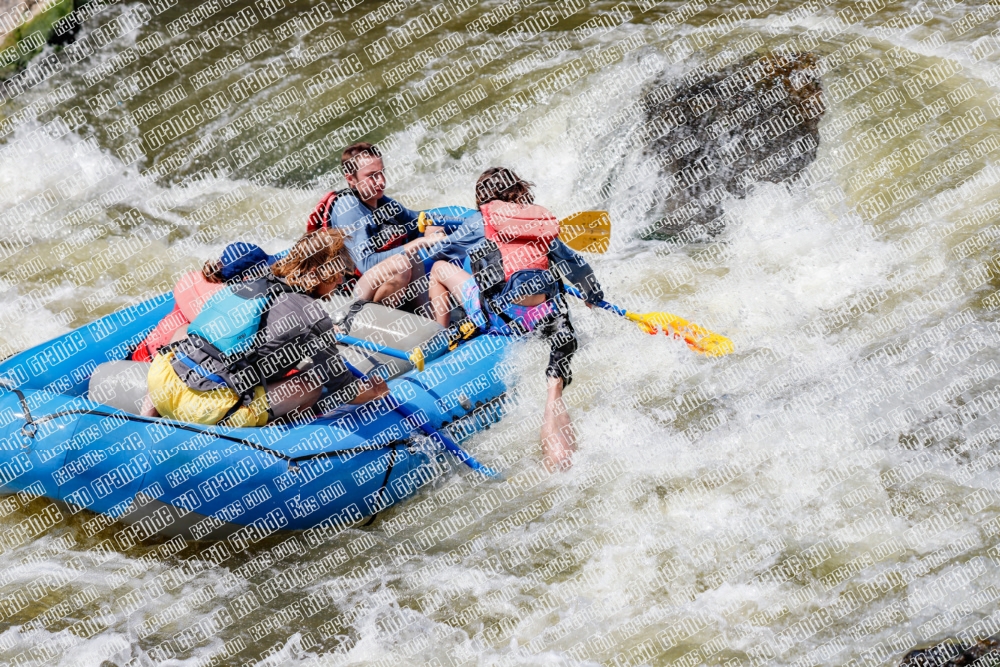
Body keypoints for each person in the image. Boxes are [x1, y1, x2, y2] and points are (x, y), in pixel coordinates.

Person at [425, 168, 605, 472]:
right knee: (554, 390)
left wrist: (435, 236)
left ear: (484, 198)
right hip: (553, 321)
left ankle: (440, 343)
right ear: (520, 192)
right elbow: (576, 265)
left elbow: (441, 252)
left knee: (439, 270)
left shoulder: (479, 221)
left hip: (507, 321)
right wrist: (592, 294)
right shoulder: (538, 222)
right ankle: (560, 462)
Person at [146, 229, 389, 427]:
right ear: (315, 274)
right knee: (311, 386)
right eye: (336, 275)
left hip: (161, 383)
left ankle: (145, 421)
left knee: (186, 344)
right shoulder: (313, 316)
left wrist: (319, 337)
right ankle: (272, 442)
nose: (340, 281)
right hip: (205, 410)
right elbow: (344, 390)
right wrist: (374, 392)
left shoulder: (252, 284)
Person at [308, 142, 468, 308]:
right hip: (347, 295)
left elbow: (421, 219)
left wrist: (473, 222)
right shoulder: (347, 208)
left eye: (382, 173)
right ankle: (372, 324)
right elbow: (365, 265)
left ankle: (432, 323)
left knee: (429, 233)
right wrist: (419, 242)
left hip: (374, 284)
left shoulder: (381, 203)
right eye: (371, 176)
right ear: (351, 179)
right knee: (403, 263)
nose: (381, 181)